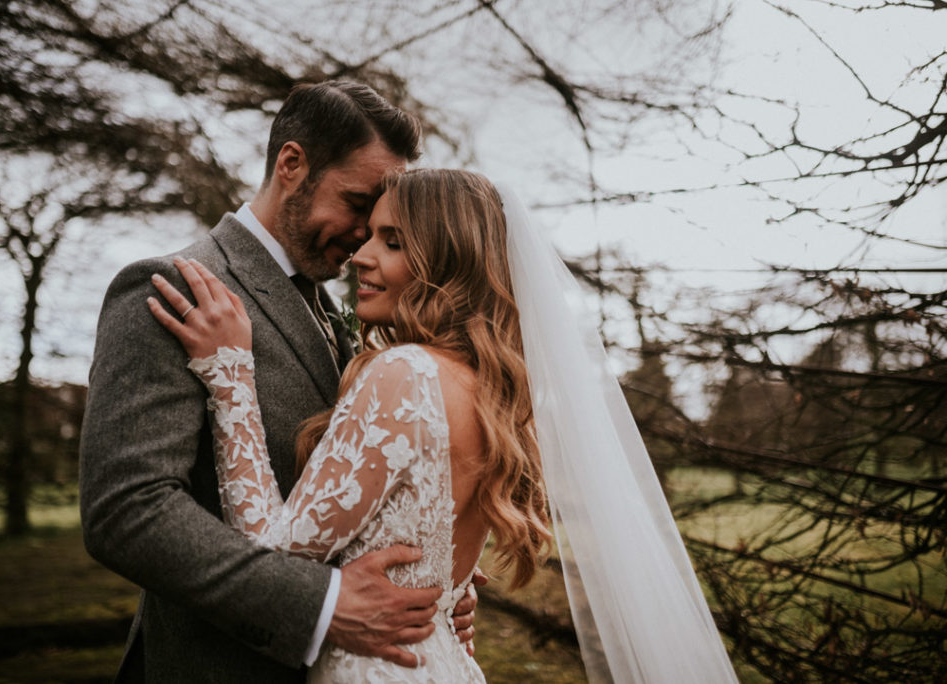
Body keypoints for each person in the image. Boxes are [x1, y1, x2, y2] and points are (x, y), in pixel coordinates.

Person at [146, 169, 741, 683]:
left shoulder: (404, 373)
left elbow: (267, 554)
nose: (361, 256)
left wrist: (229, 375)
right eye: (370, 235)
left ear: (448, 260)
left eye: (394, 242)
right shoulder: (501, 397)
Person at [79, 82, 479, 684]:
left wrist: (431, 586)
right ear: (291, 164)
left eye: (382, 223)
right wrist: (321, 605)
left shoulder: (355, 318)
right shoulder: (174, 289)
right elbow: (127, 510)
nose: (363, 234)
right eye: (356, 202)